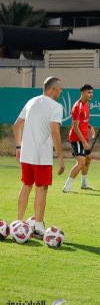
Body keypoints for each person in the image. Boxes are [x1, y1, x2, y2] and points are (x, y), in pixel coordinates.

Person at [12, 76, 65, 237]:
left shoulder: (31, 101)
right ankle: (39, 227)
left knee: (26, 186)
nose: (61, 91)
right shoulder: (56, 107)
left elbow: (16, 126)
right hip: (41, 155)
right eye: (59, 89)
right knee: (42, 188)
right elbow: (55, 133)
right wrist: (61, 158)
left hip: (26, 153)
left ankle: (18, 223)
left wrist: (18, 146)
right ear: (52, 89)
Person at [62, 84, 96, 193]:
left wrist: (91, 127)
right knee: (81, 163)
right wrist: (84, 142)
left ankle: (84, 184)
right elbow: (75, 127)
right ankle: (67, 187)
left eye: (91, 92)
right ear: (82, 93)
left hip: (83, 137)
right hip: (77, 139)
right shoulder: (77, 106)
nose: (91, 94)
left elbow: (84, 121)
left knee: (87, 160)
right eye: (88, 92)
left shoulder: (87, 105)